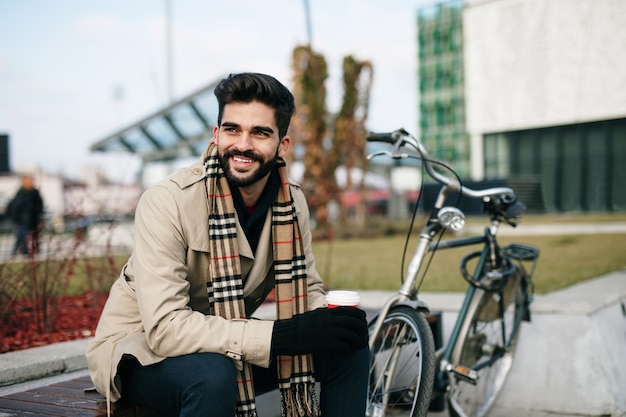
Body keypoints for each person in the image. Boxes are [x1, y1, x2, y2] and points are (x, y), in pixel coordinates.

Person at [86, 72, 369, 417]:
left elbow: (306, 286)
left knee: (346, 347)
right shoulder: (167, 201)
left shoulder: (292, 201)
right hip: (140, 351)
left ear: (282, 145)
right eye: (233, 130)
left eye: (260, 133)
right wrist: (281, 336)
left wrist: (330, 320)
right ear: (217, 134)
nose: (243, 145)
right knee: (212, 374)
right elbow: (165, 329)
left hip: (224, 343)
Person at [7, 174, 44, 256]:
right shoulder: (20, 193)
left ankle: (29, 251)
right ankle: (21, 251)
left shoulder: (35, 193)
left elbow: (40, 206)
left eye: (31, 181)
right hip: (20, 220)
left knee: (32, 236)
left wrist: (39, 216)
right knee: (21, 236)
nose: (30, 183)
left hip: (32, 219)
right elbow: (14, 206)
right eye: (27, 181)